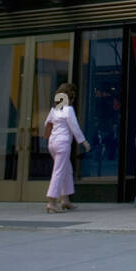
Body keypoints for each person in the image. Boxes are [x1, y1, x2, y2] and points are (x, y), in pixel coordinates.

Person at [44, 83, 88, 213]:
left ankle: (65, 200)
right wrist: (83, 142)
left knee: (66, 170)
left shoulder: (54, 110)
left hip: (52, 143)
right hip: (62, 143)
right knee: (59, 171)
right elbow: (74, 127)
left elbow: (47, 125)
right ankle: (52, 201)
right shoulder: (68, 110)